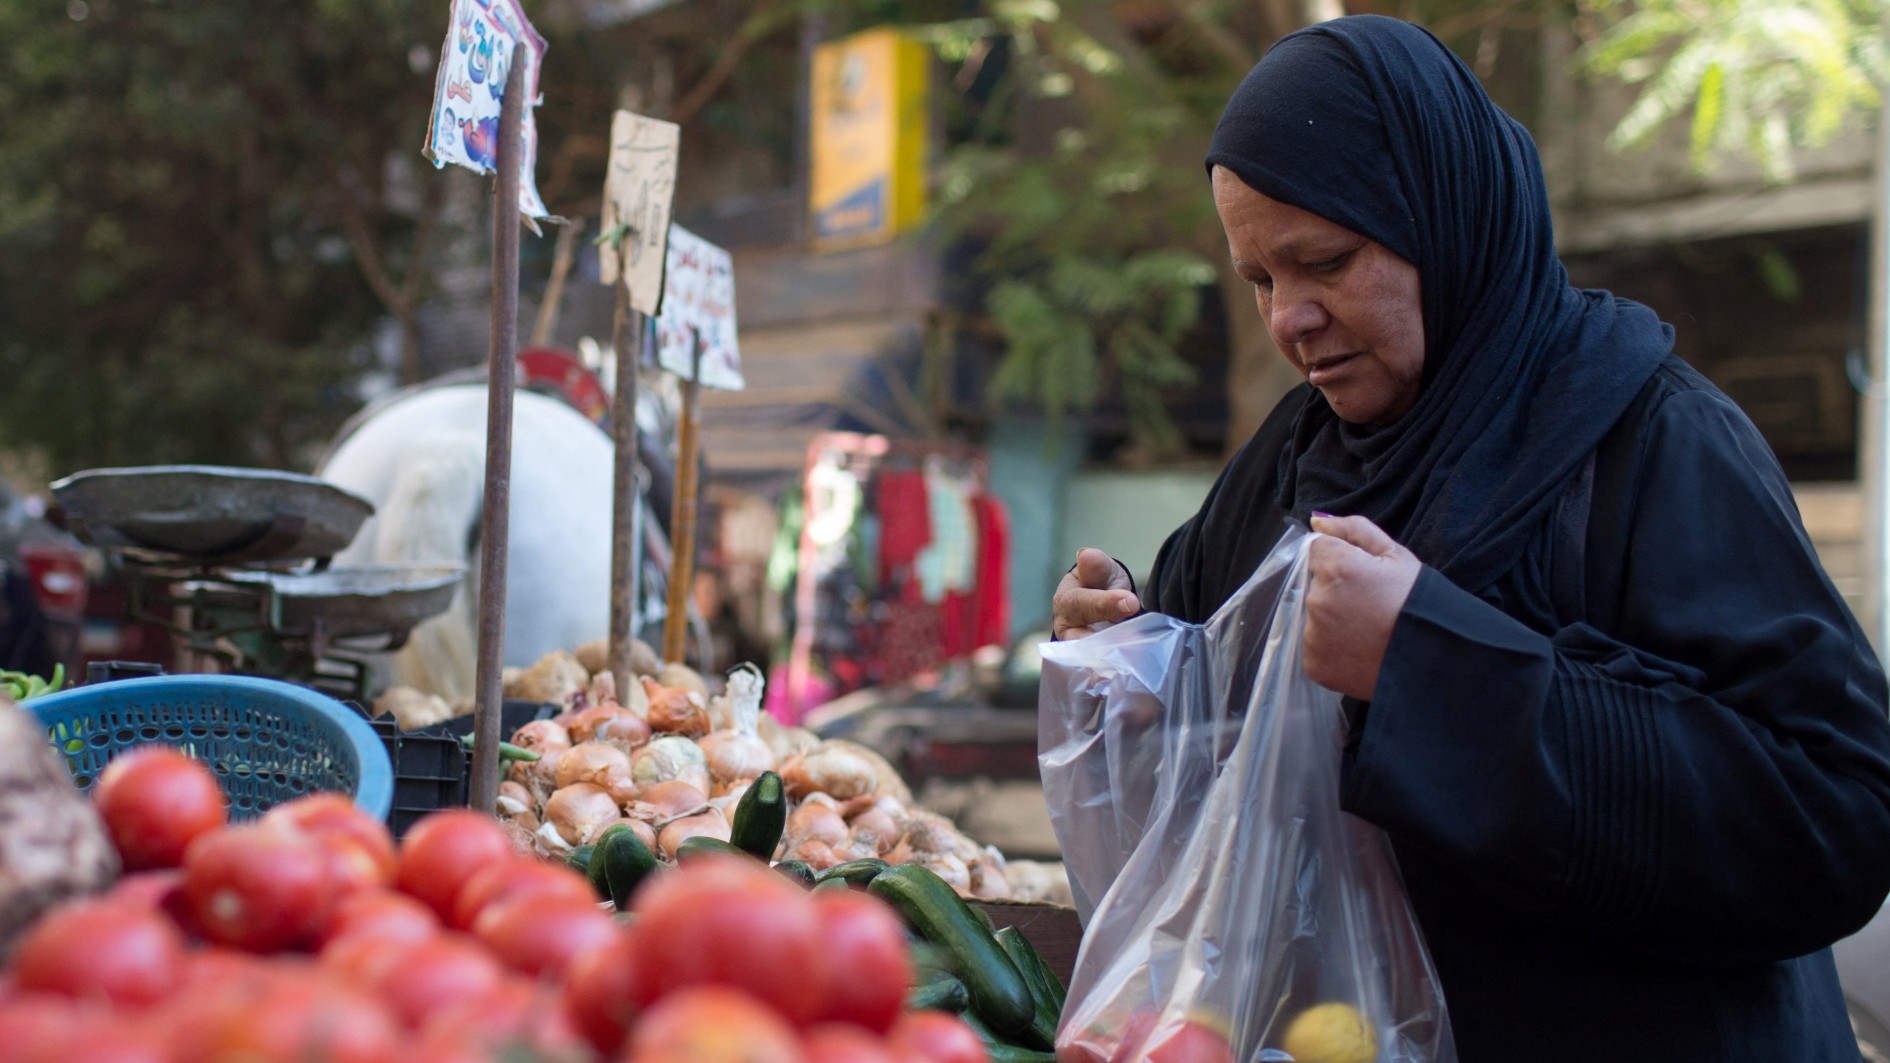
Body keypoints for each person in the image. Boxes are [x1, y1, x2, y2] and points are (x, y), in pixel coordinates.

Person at [1051, 15, 1890, 1061]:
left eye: (1327, 261)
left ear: (1445, 220)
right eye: (1261, 279)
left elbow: (1833, 814)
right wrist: (1120, 635)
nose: (1289, 320)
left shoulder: (1651, 440)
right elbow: (1194, 675)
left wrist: (1429, 666)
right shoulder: (1290, 465)